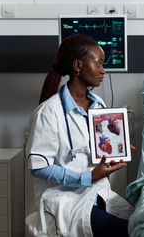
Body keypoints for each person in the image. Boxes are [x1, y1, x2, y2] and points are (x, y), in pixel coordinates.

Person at [25, 35, 132, 237]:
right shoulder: (49, 112)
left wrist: (118, 146)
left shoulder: (98, 104)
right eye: (99, 63)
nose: (103, 70)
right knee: (127, 232)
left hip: (98, 192)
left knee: (141, 226)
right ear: (77, 65)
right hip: (65, 199)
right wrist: (88, 177)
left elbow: (99, 146)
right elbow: (39, 167)